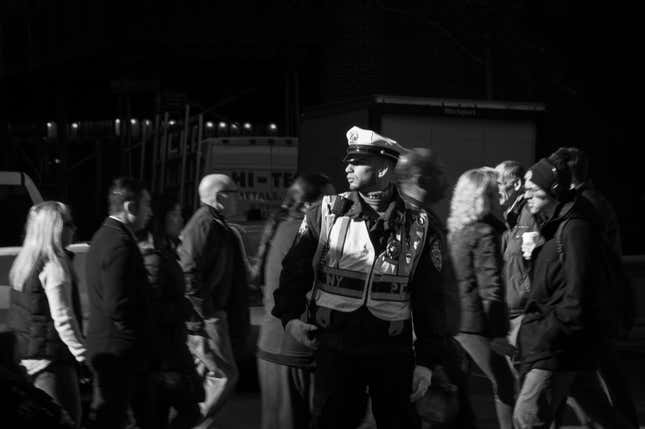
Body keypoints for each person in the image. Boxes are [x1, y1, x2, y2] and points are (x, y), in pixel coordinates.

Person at [273, 126, 451, 429]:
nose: (348, 167)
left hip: (392, 351)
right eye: (347, 161)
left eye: (357, 162)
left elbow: (430, 298)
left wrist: (425, 361)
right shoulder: (326, 212)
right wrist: (290, 319)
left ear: (383, 168)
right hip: (336, 347)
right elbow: (294, 272)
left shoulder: (420, 223)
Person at [514, 154, 612, 428]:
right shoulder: (556, 225)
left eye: (533, 190)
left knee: (527, 417)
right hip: (565, 341)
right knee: (600, 417)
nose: (526, 196)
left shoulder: (575, 228)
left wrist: (548, 333)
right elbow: (553, 282)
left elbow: (577, 292)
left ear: (553, 189)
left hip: (560, 343)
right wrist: (534, 256)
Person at [396, 148, 472, 428]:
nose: (447, 180)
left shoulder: (422, 218)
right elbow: (410, 293)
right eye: (439, 173)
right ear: (421, 179)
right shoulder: (412, 222)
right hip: (424, 350)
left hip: (435, 347)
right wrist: (428, 358)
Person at [256, 174, 334, 429]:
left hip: (277, 347)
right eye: (328, 201)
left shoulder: (287, 228)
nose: (336, 206)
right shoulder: (302, 234)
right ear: (305, 206)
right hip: (293, 350)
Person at [178, 174, 250, 428]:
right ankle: (190, 422)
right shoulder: (205, 225)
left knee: (204, 373)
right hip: (206, 317)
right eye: (235, 192)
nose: (240, 198)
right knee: (224, 375)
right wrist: (207, 311)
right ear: (220, 198)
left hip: (205, 315)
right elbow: (187, 270)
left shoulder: (212, 224)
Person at [447, 168, 515, 429]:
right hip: (476, 324)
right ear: (484, 197)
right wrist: (498, 333)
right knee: (505, 384)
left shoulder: (457, 231)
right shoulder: (485, 233)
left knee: (460, 386)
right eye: (495, 193)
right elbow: (491, 287)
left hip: (455, 321)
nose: (500, 196)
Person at [8, 201, 86, 428]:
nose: (75, 229)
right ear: (56, 228)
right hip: (52, 362)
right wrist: (83, 355)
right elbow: (64, 319)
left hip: (27, 359)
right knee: (68, 420)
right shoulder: (54, 266)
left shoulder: (24, 263)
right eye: (69, 223)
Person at [85, 177, 152, 429]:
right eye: (147, 205)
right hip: (119, 353)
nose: (150, 212)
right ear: (129, 207)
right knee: (111, 418)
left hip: (112, 349)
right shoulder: (119, 244)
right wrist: (136, 336)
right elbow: (117, 304)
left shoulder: (104, 236)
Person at [135, 194, 202, 429]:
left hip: (170, 349)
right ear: (162, 219)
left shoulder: (167, 253)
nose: (180, 218)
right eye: (174, 213)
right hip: (164, 355)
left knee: (166, 414)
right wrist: (184, 308)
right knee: (188, 410)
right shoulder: (154, 258)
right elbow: (151, 308)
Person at [494, 161, 537, 348]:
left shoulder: (529, 215)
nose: (494, 190)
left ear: (516, 185)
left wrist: (525, 294)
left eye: (498, 184)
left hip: (522, 312)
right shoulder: (510, 217)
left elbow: (534, 258)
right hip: (511, 311)